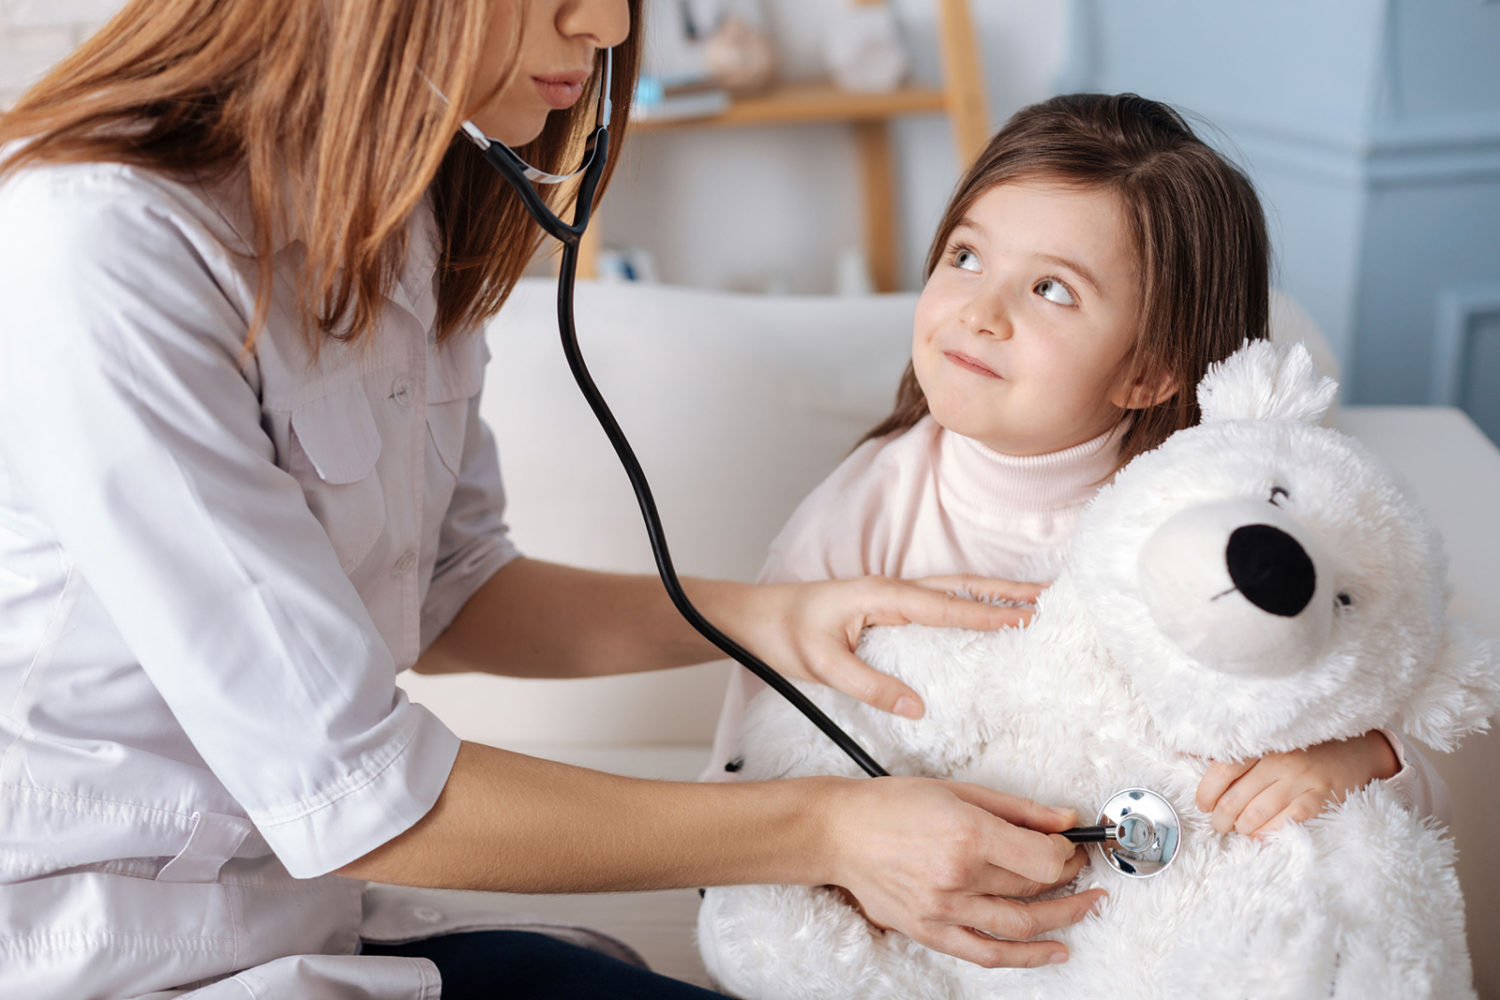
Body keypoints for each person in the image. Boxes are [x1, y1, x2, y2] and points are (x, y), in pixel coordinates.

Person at [0, 1, 1113, 997]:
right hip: (98, 957)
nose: (609, 25)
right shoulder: (99, 245)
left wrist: (765, 621)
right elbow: (358, 791)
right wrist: (828, 830)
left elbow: (449, 587)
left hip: (301, 928)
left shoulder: (401, 220)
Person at [707, 93, 1448, 840]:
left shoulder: (1230, 517)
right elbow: (746, 769)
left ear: (1151, 374)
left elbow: (1414, 792)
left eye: (1050, 289)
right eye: (966, 257)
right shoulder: (862, 513)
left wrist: (1363, 759)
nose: (980, 311)